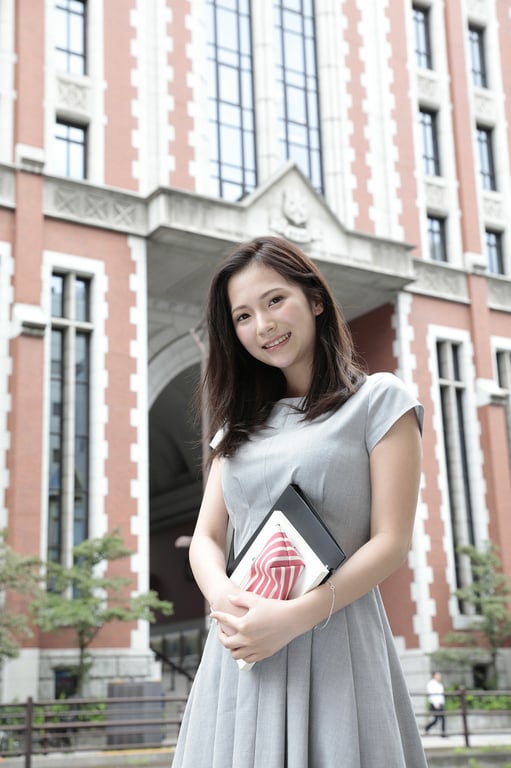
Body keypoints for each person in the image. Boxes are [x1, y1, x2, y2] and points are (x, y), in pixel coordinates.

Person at [172, 235, 428, 767]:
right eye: (242, 316)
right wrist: (230, 606)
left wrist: (294, 618)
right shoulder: (236, 427)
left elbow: (390, 541)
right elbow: (207, 539)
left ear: (314, 299)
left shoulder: (380, 400)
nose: (262, 326)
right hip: (242, 648)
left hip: (335, 639)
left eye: (273, 301)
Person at [425, 671, 447, 736]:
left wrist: (442, 703)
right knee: (436, 720)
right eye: (438, 675)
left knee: (443, 718)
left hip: (440, 703)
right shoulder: (431, 684)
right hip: (435, 704)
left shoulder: (440, 684)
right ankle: (427, 727)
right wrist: (435, 703)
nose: (439, 676)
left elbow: (441, 695)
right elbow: (431, 694)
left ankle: (443, 733)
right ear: (434, 676)